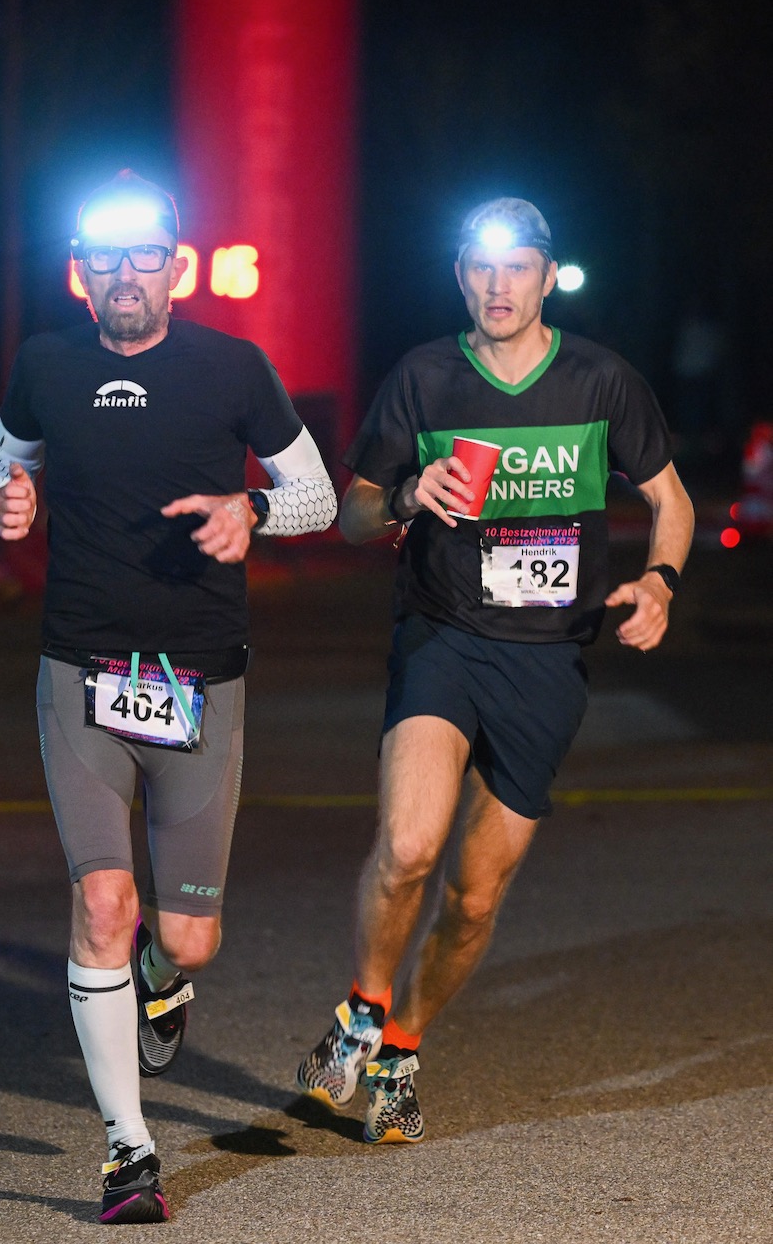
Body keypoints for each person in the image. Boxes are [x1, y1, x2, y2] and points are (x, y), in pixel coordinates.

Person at [296, 197, 694, 1145]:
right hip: (442, 638)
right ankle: (359, 1007)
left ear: (547, 277)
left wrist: (661, 584)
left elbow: (671, 500)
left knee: (474, 900)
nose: (497, 282)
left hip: (548, 659)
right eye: (480, 265)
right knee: (409, 846)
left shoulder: (602, 381)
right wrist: (402, 495)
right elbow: (350, 514)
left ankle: (400, 1047)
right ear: (461, 275)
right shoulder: (425, 376)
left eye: (517, 266)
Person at [0, 169, 336, 1223]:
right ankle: (128, 1150)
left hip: (198, 679)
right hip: (79, 670)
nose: (123, 273)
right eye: (104, 256)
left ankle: (159, 971)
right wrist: (12, 497)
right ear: (78, 272)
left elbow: (314, 492)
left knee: (185, 940)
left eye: (144, 255)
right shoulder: (43, 364)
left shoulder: (232, 367)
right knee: (100, 897)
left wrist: (251, 510)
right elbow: (6, 462)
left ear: (174, 264)